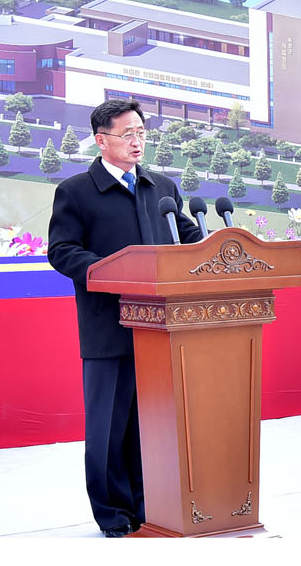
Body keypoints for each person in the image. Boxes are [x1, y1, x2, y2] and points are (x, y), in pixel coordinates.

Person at [47, 99, 202, 537]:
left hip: (161, 328)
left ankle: (147, 506)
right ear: (101, 140)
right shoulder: (77, 191)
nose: (138, 142)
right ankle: (113, 513)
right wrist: (110, 273)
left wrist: (218, 245)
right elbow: (62, 251)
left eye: (142, 133)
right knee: (109, 430)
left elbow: (187, 237)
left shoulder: (162, 186)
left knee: (151, 427)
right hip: (108, 327)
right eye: (127, 134)